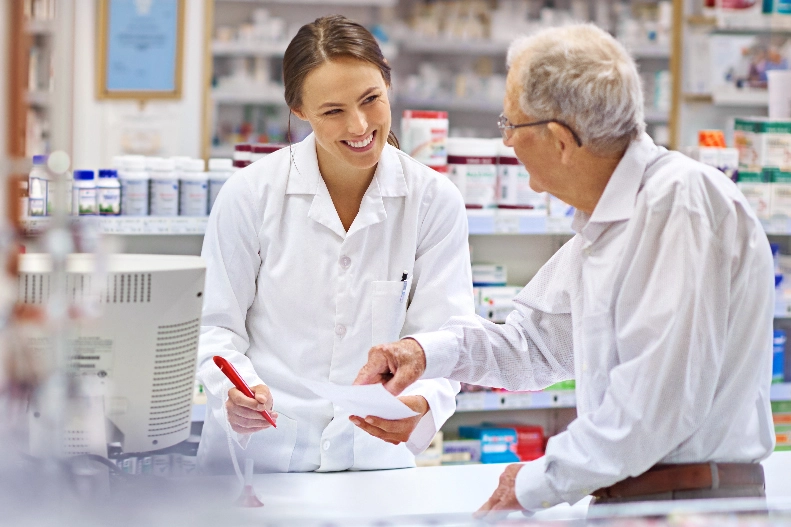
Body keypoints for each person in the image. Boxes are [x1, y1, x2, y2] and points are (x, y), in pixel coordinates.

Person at [355, 23, 775, 516]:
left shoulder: (677, 206)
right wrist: (424, 352)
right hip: (641, 502)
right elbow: (533, 347)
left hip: (690, 507)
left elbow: (653, 410)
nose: (507, 142)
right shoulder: (610, 222)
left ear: (558, 139)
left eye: (510, 124)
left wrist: (534, 481)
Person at [196, 15, 474, 474]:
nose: (360, 125)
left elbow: (447, 336)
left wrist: (423, 403)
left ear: (389, 86)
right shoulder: (250, 195)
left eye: (371, 100)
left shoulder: (432, 200)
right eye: (333, 111)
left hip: (374, 463)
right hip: (262, 461)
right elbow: (214, 328)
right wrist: (238, 390)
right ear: (300, 110)